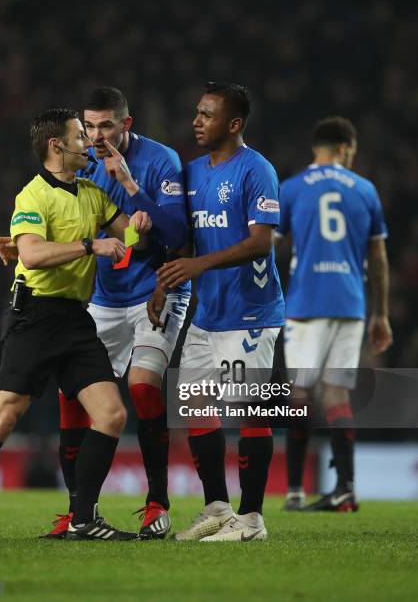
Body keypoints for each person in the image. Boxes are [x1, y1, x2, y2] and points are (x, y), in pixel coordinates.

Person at [0, 108, 152, 543]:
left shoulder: (92, 192)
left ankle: (83, 518)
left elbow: (130, 240)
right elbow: (33, 255)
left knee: (112, 414)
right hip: (36, 317)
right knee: (5, 416)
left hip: (76, 320)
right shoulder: (33, 196)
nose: (89, 142)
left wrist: (136, 218)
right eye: (80, 135)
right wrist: (88, 245)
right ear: (56, 146)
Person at [0, 88, 190, 538]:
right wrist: (22, 247)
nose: (96, 137)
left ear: (127, 124)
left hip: (153, 293)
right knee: (73, 401)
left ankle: (157, 502)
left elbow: (177, 236)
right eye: (89, 127)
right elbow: (60, 225)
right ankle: (79, 511)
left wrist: (129, 184)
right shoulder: (80, 167)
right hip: (101, 299)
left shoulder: (160, 161)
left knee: (143, 390)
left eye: (106, 126)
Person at [151, 82, 285, 542]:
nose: (196, 121)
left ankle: (252, 520)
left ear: (234, 124)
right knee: (195, 407)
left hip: (250, 312)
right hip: (207, 313)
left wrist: (196, 265)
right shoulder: (191, 172)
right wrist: (165, 281)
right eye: (196, 112)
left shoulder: (256, 170)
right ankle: (218, 510)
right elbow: (186, 238)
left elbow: (261, 241)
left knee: (249, 410)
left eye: (207, 115)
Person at [277, 116, 392, 511]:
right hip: (351, 303)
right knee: (338, 394)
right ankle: (346, 487)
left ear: (318, 148)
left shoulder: (291, 189)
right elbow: (377, 256)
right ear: (344, 149)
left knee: (300, 392)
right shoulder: (365, 190)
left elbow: (269, 247)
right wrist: (381, 314)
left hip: (307, 303)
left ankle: (293, 489)